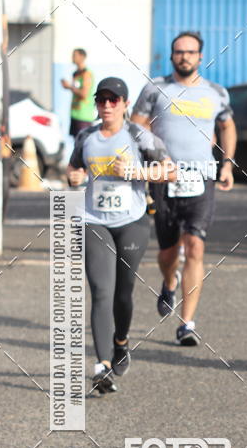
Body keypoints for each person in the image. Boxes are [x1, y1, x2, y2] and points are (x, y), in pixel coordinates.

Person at [67, 77, 174, 394]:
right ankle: (101, 365)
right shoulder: (86, 136)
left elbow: (170, 171)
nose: (107, 105)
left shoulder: (139, 136)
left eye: (114, 100)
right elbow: (74, 169)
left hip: (132, 222)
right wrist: (73, 175)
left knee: (123, 292)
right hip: (93, 220)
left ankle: (121, 342)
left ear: (126, 104)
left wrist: (137, 172)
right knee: (101, 290)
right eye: (102, 100)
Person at [131, 31, 236, 346]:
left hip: (201, 177)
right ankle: (168, 282)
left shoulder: (216, 92)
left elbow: (227, 125)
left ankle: (187, 323)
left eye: (190, 52)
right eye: (179, 52)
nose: (184, 57)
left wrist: (227, 164)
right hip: (164, 179)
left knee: (195, 246)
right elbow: (136, 126)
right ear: (173, 55)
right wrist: (151, 161)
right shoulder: (155, 89)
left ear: (200, 57)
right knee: (166, 251)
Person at [61, 48, 96, 137]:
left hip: (84, 116)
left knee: (83, 143)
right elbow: (76, 90)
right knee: (76, 143)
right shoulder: (76, 73)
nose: (72, 58)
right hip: (75, 114)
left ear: (82, 57)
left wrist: (69, 86)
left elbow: (84, 94)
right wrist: (68, 87)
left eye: (74, 55)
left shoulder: (87, 74)